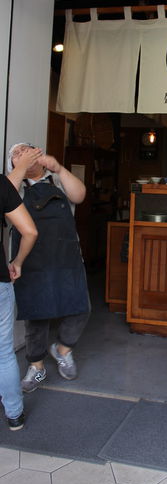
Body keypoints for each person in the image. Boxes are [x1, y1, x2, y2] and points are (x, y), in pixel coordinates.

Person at [7, 143, 91, 393]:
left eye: (28, 150)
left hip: (66, 257)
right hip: (31, 260)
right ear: (12, 164)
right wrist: (20, 168)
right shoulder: (15, 186)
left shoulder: (57, 180)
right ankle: (36, 366)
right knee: (36, 316)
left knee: (80, 308)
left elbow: (80, 195)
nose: (24, 154)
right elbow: (4, 197)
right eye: (17, 154)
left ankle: (63, 349)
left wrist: (59, 168)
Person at [0, 174, 38, 430]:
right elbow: (30, 231)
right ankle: (14, 415)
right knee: (3, 353)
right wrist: (18, 262)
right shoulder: (1, 184)